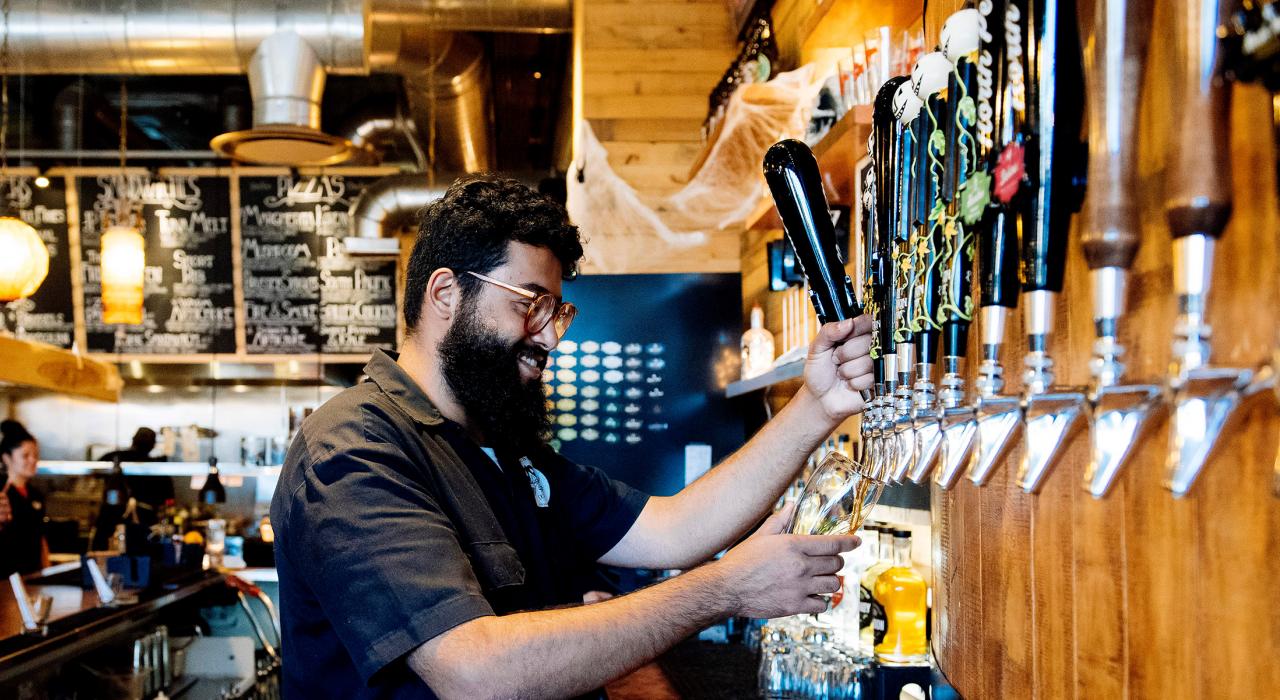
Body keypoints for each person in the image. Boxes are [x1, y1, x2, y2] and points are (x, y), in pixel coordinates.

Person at [271, 175, 876, 699]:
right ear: (446, 294)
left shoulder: (503, 451)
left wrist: (817, 406)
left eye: (557, 312)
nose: (549, 337)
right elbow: (475, 672)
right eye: (530, 305)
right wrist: (727, 589)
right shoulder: (355, 450)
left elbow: (672, 529)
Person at [0, 419, 49, 576]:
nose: (33, 460)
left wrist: (47, 572)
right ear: (7, 458)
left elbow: (40, 539)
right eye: (25, 455)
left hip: (32, 578)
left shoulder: (36, 495)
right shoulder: (2, 492)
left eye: (35, 455)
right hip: (6, 580)